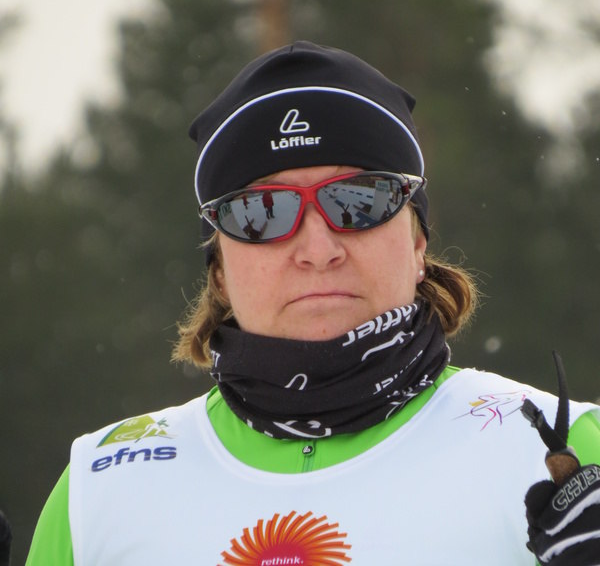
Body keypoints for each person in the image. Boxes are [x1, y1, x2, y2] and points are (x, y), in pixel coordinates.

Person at [26, 41, 600, 565]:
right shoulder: (99, 490)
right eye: (262, 212)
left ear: (417, 241)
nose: (319, 250)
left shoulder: (564, 455)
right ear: (219, 269)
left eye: (359, 200)